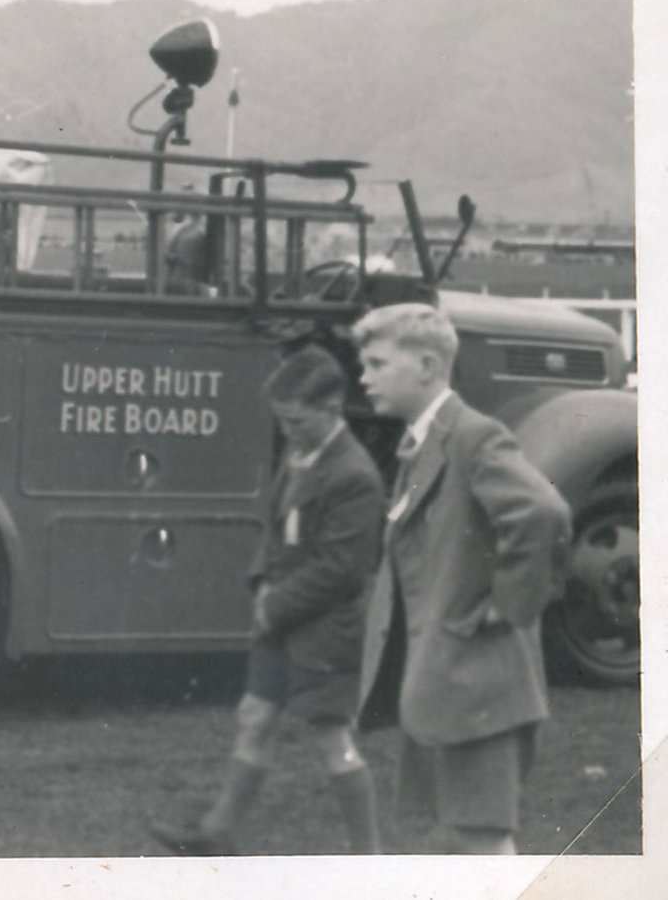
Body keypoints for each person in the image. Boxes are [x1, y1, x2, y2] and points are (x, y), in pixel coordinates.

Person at [149, 345, 386, 855]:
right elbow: (275, 531)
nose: (287, 432)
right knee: (256, 714)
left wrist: (273, 605)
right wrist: (261, 581)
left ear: (332, 408)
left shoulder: (356, 477)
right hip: (281, 616)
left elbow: (342, 570)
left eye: (296, 421)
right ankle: (220, 831)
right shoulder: (300, 454)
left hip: (325, 629)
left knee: (331, 738)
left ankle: (370, 860)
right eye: (281, 421)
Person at [353, 303, 570, 855]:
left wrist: (507, 606)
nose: (364, 376)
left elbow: (542, 514)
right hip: (446, 686)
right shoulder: (423, 442)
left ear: (427, 367)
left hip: (480, 687)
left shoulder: (474, 436)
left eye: (377, 363)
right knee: (456, 840)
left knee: (483, 845)